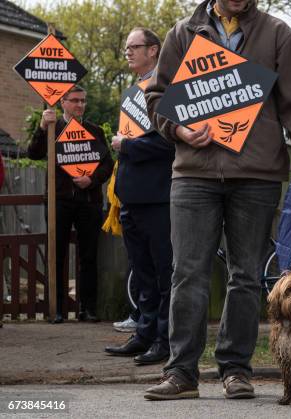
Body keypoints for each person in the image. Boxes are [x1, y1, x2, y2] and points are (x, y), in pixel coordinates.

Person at [143, 0, 291, 401]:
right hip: (193, 174)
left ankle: (235, 370)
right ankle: (181, 373)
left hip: (257, 174)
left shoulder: (279, 35)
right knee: (187, 274)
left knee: (245, 276)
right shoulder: (181, 34)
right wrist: (180, 129)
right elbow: (156, 99)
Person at [104, 28, 174, 365]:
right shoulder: (132, 92)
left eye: (134, 47)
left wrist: (126, 145)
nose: (128, 52)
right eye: (127, 47)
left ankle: (164, 339)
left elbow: (168, 142)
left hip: (158, 197)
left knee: (164, 275)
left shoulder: (168, 88)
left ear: (154, 50)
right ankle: (144, 333)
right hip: (130, 197)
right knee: (142, 274)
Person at [28, 86, 113, 323]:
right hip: (60, 202)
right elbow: (33, 153)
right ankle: (55, 309)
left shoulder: (95, 131)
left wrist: (92, 179)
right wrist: (43, 127)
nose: (80, 105)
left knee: (89, 256)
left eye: (83, 101)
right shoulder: (53, 129)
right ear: (63, 103)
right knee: (56, 255)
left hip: (89, 202)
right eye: (74, 100)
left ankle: (88, 309)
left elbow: (107, 165)